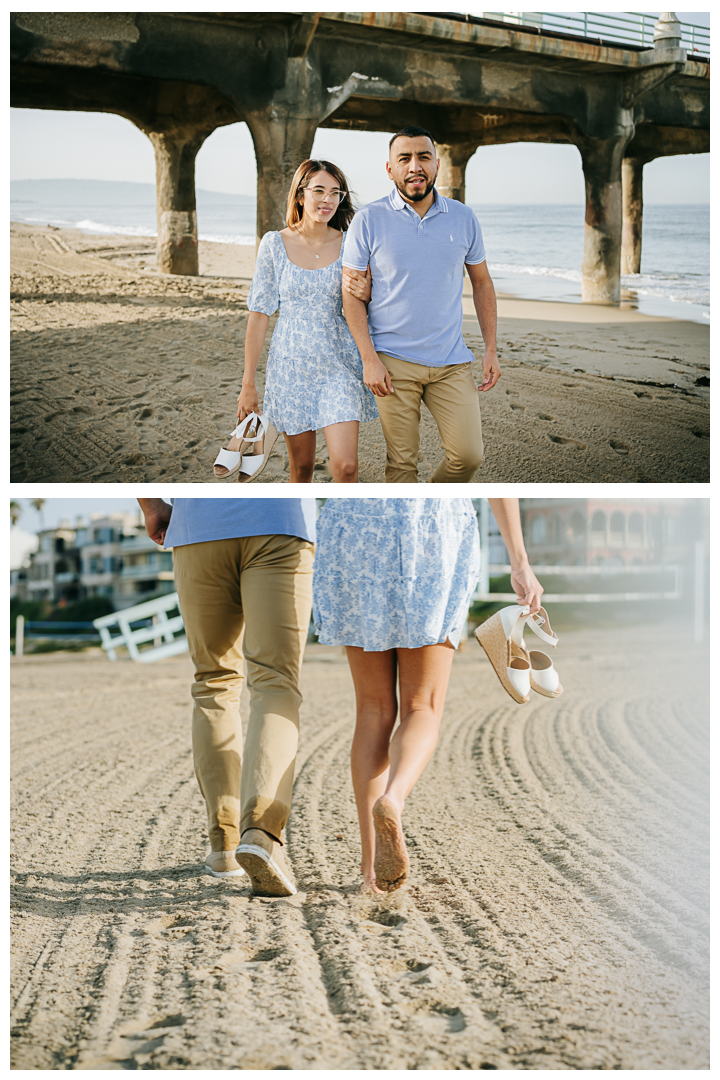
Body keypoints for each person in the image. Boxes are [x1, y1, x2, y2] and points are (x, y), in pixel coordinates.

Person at [311, 497, 542, 892]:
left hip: (353, 527)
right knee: (423, 706)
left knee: (372, 708)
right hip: (433, 527)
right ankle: (394, 798)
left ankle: (371, 874)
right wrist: (520, 562)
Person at [137, 497, 316, 896]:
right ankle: (262, 832)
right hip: (279, 524)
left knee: (214, 682)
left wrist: (151, 507)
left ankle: (224, 844)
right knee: (274, 682)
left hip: (197, 529)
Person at [341, 126, 500, 484]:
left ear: (437, 165)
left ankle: (428, 501)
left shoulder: (463, 218)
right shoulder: (368, 220)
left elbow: (482, 282)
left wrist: (491, 349)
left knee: (469, 457)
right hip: (392, 362)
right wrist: (369, 359)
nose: (415, 166)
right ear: (390, 169)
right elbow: (350, 292)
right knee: (401, 467)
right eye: (405, 158)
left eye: (423, 157)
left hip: (451, 362)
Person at [213, 160, 377, 484]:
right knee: (301, 470)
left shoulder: (350, 244)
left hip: (338, 366)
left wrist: (370, 293)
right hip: (290, 369)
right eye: (319, 190)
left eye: (336, 193)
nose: (327, 200)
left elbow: (365, 306)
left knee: (346, 467)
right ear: (301, 195)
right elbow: (259, 314)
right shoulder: (274, 244)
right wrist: (248, 384)